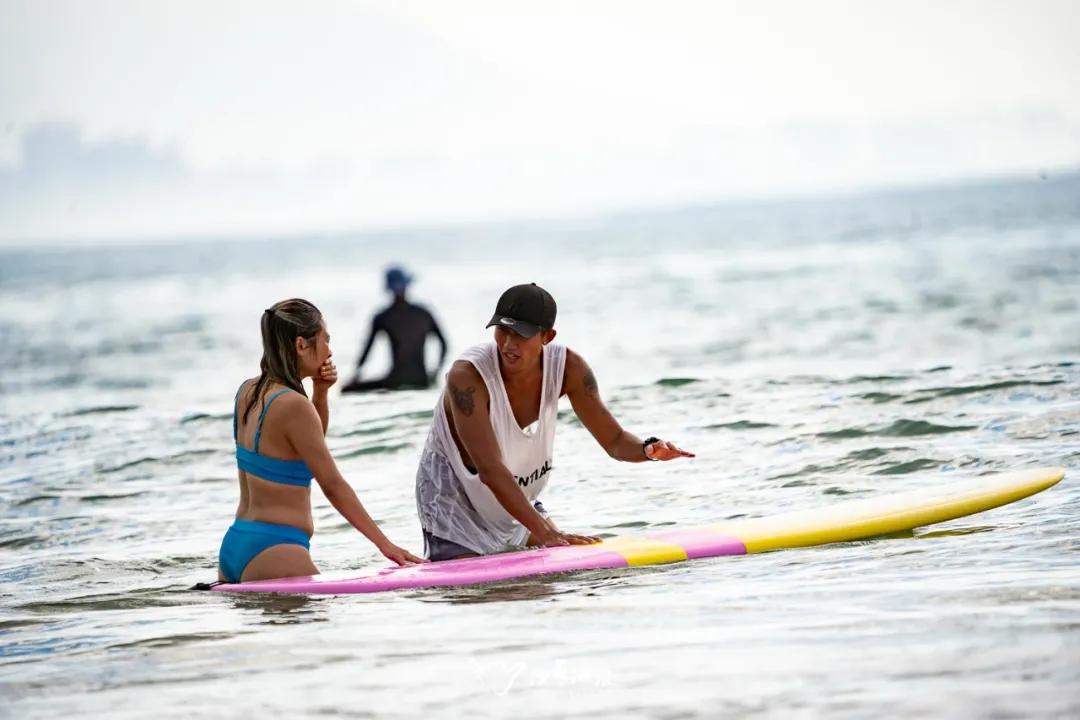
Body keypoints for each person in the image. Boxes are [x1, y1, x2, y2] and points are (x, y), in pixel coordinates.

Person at [415, 283, 695, 561]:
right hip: (453, 501)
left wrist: (648, 450)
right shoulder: (468, 377)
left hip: (511, 494)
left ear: (547, 336)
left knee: (549, 584)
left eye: (521, 335)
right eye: (503, 330)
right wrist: (546, 532)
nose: (508, 344)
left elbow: (615, 441)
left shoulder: (568, 369)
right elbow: (489, 470)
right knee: (483, 597)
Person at [218, 298, 423, 584]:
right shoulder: (292, 405)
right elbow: (333, 485)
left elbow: (304, 448)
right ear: (301, 345)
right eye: (325, 340)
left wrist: (321, 393)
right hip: (276, 549)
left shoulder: (248, 391)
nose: (329, 350)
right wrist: (385, 545)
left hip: (237, 544)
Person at [342, 266, 448, 392]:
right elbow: (444, 344)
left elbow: (367, 350)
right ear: (407, 285)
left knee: (347, 390)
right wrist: (435, 374)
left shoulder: (383, 317)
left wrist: (356, 375)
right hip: (422, 380)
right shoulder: (424, 313)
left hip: (395, 380)